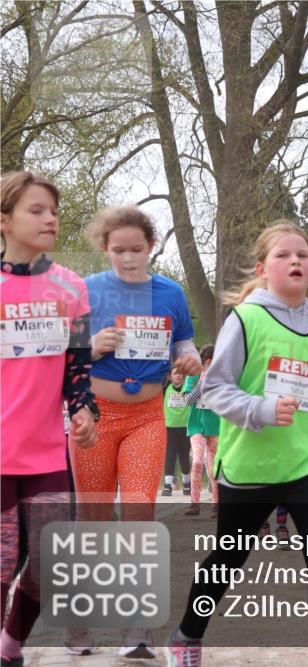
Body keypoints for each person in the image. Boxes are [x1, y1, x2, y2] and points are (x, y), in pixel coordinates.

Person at [166, 221, 308, 667]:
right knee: (229, 555)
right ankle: (187, 635)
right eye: (284, 255)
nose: (296, 261)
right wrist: (261, 411)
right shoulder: (245, 319)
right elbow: (213, 389)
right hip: (251, 464)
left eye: (303, 254)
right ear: (264, 269)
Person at [73, 205, 202, 658]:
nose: (128, 258)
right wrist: (91, 345)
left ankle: (136, 630)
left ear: (151, 247)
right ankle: (80, 623)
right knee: (92, 520)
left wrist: (191, 361)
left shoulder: (170, 293)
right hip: (95, 413)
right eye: (118, 250)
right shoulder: (86, 291)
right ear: (104, 249)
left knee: (138, 517)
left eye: (137, 249)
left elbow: (185, 345)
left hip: (148, 413)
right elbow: (62, 356)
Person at [1, 171, 98, 667]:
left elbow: (77, 369)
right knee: (0, 564)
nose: (50, 218)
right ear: (4, 220)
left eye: (54, 210)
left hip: (46, 456)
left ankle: (11, 644)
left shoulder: (71, 287)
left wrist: (81, 410)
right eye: (36, 210)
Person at [180, 345, 221, 517]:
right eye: (207, 362)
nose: (210, 365)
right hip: (197, 425)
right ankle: (194, 503)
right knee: (197, 462)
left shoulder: (221, 377)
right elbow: (187, 401)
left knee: (213, 468)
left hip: (215, 425)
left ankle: (217, 504)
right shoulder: (193, 376)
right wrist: (201, 382)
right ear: (202, 362)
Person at [162, 366, 192, 496]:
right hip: (170, 427)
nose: (178, 376)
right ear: (170, 376)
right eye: (175, 373)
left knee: (184, 456)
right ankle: (168, 484)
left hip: (185, 427)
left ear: (184, 376)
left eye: (181, 374)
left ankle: (187, 483)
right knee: (170, 456)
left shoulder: (188, 388)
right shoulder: (165, 388)